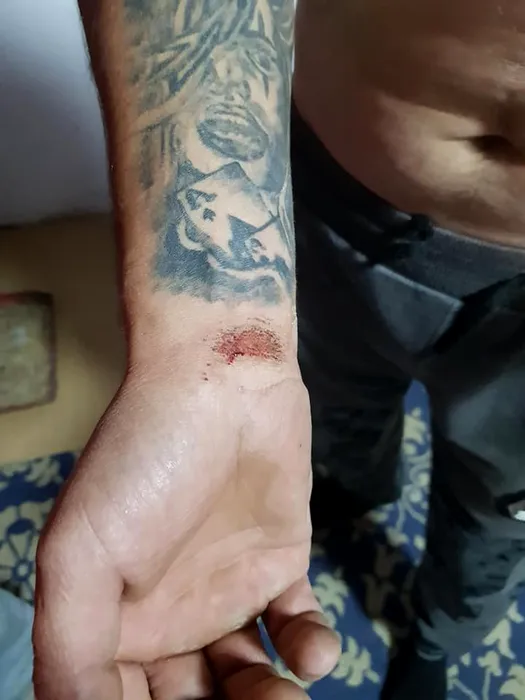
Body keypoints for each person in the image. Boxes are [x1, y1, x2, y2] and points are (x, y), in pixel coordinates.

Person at [32, 1, 525, 699]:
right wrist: (206, 354)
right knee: (333, 410)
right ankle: (353, 489)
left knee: (495, 520)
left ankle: (437, 637)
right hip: (343, 202)